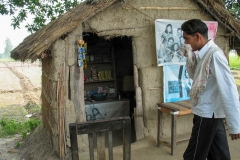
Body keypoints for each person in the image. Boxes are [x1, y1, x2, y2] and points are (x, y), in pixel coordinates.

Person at [180, 19, 240, 160]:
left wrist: (235, 124)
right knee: (220, 156)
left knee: (193, 156)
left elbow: (229, 89)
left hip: (206, 116)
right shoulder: (202, 54)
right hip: (211, 115)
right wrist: (189, 57)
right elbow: (195, 76)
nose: (185, 43)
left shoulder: (214, 55)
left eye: (186, 39)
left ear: (198, 36)